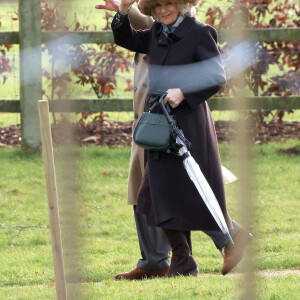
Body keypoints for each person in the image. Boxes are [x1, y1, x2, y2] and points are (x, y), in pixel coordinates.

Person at [97, 0, 252, 279]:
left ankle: (221, 247)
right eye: (157, 6)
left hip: (190, 126)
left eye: (168, 3)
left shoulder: (199, 32)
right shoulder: (156, 33)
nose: (163, 10)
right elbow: (127, 38)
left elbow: (217, 76)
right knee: (152, 196)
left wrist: (184, 92)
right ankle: (185, 260)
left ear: (181, 5)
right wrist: (122, 12)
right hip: (159, 126)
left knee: (191, 191)